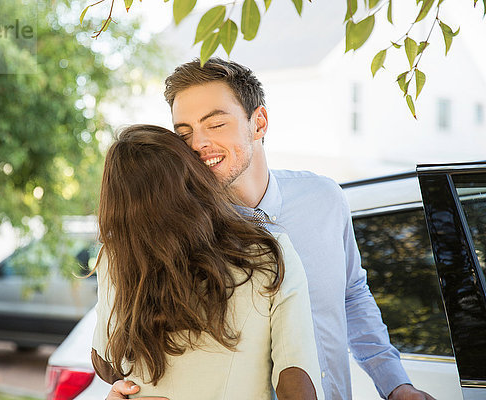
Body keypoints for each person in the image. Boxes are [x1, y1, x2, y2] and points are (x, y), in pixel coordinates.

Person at [107, 59, 436, 400]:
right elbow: (133, 329)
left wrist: (397, 385)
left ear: (259, 122)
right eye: (184, 133)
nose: (197, 144)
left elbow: (352, 295)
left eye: (216, 124)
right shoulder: (177, 232)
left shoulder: (324, 199)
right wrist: (124, 383)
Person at [91, 124, 325, 400]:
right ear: (192, 177)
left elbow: (106, 364)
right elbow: (297, 380)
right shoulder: (267, 254)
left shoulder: (116, 257)